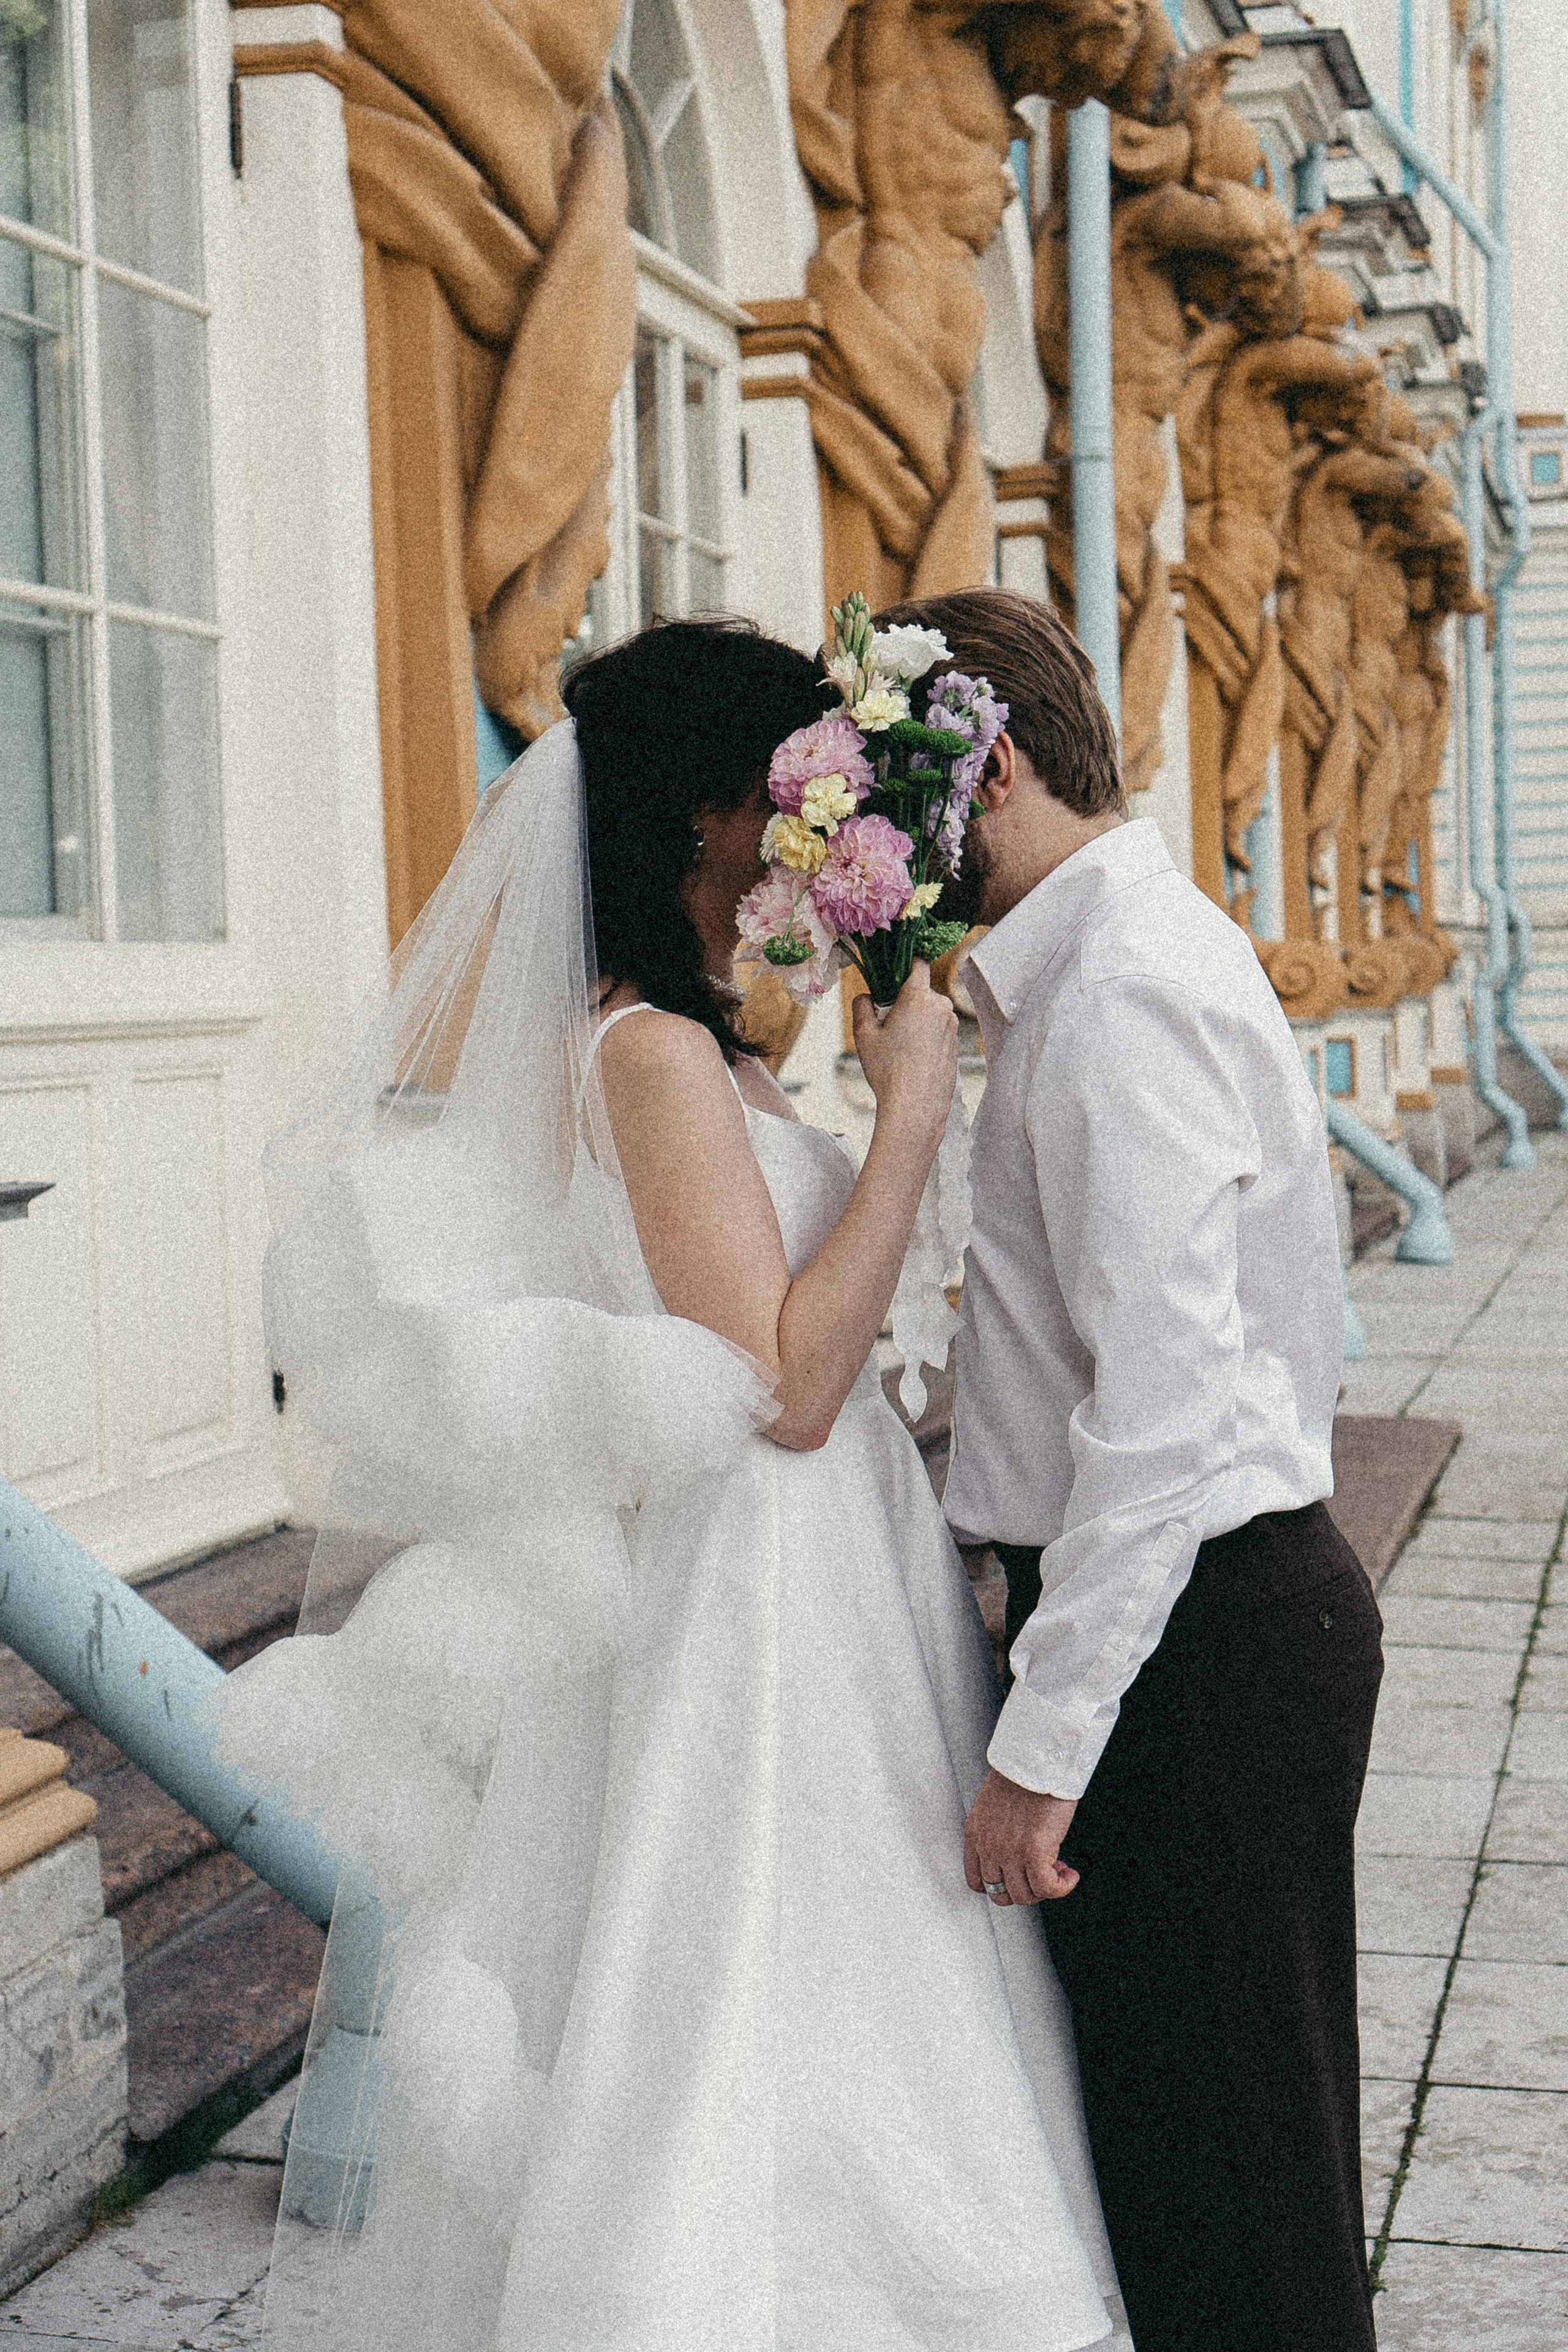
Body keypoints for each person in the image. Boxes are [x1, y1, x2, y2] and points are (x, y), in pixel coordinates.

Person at [211, 617, 1130, 2351]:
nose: (815, 804)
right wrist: (915, 1112)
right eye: (789, 774)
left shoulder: (714, 1046)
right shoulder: (644, 1052)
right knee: (737, 1972)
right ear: (706, 810)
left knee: (837, 1980)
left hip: (824, 1584)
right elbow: (776, 1388)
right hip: (757, 1589)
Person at [876, 587, 1385, 2352]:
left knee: (1237, 2202)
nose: (880, 856)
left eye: (891, 806)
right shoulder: (1110, 967)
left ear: (990, 765)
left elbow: (1163, 1423)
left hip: (1200, 1645)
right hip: (1208, 1624)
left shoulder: (1117, 1000)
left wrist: (1040, 1749)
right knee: (1209, 2184)